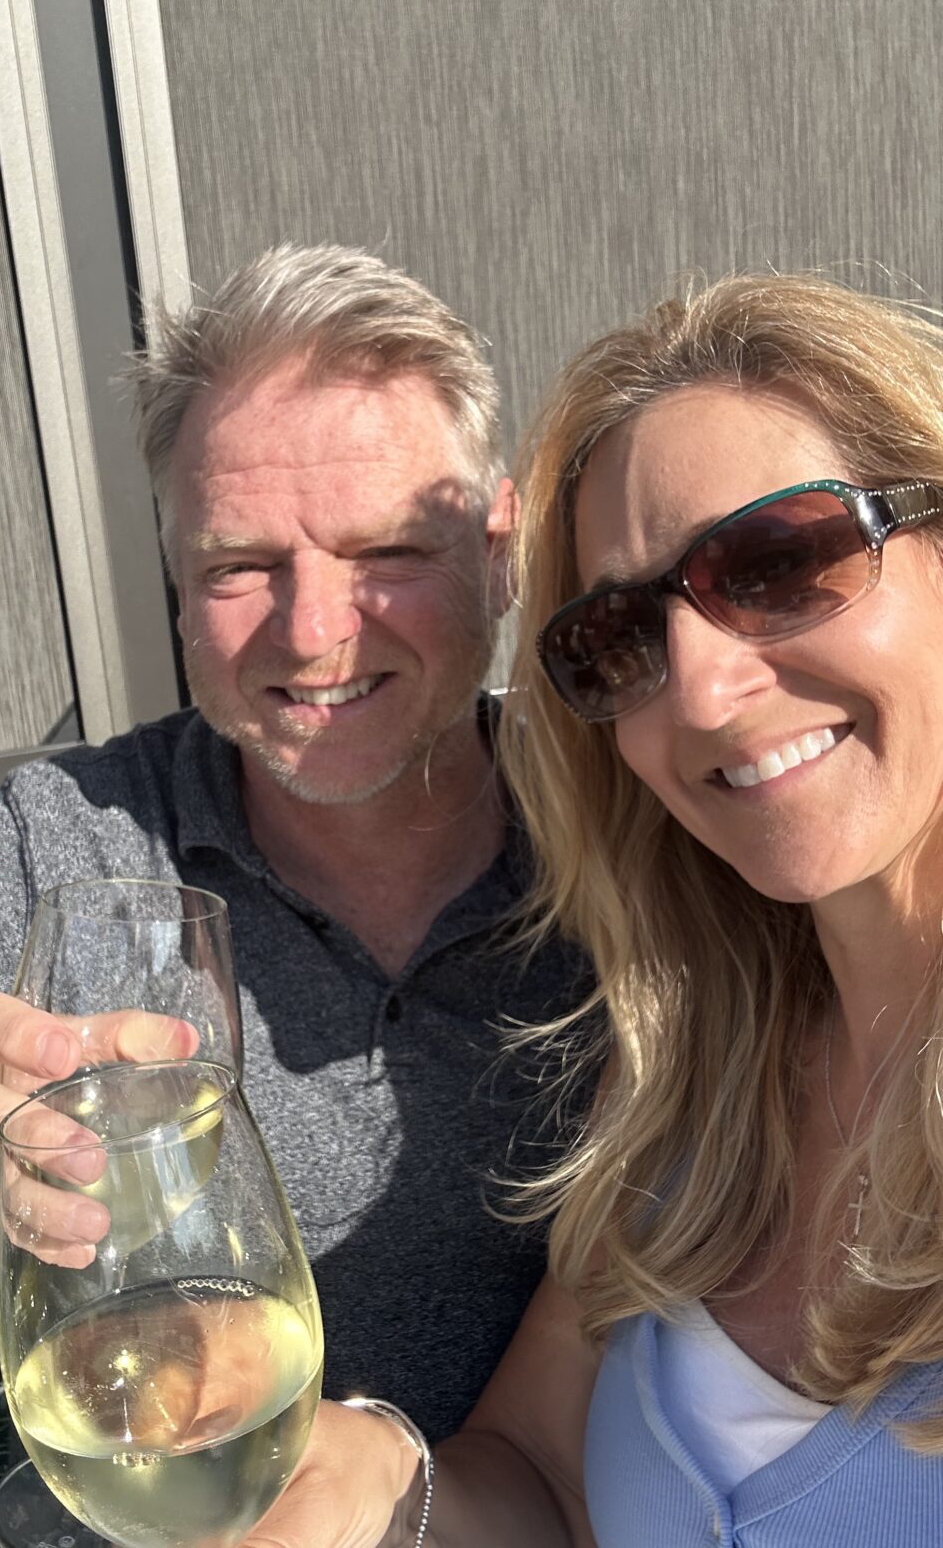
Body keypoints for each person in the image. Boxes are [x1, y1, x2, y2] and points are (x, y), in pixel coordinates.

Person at [0, 243, 589, 1443]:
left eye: (386, 554)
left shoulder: (631, 835)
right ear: (177, 589)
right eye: (243, 565)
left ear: (500, 553)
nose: (312, 634)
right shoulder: (56, 849)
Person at [240, 270, 943, 1547]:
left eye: (781, 562)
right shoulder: (694, 1080)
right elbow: (551, 1476)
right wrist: (379, 1487)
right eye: (623, 633)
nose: (704, 691)